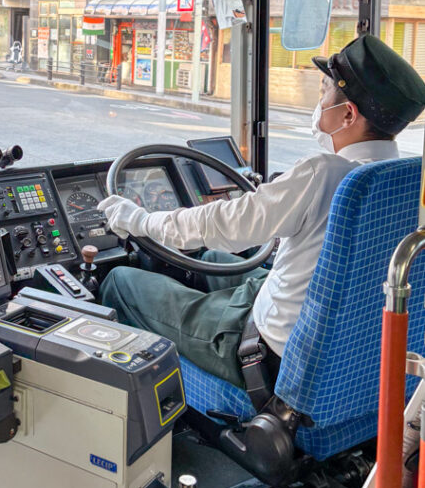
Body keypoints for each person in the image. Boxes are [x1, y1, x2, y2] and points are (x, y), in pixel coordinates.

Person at [98, 34, 425, 390]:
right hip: (344, 345)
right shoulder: (408, 180)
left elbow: (224, 222)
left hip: (269, 353)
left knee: (122, 281)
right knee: (209, 257)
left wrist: (141, 220)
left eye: (324, 94)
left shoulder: (324, 173)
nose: (319, 104)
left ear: (348, 114)